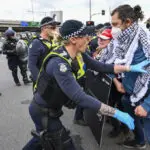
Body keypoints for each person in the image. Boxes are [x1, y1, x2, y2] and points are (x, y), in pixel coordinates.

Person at [23, 19, 150, 150]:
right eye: (86, 36)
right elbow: (80, 97)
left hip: (51, 109)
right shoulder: (59, 64)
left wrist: (130, 68)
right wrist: (116, 113)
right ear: (73, 39)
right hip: (43, 112)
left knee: (41, 139)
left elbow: (101, 66)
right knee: (64, 144)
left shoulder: (78, 54)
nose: (89, 39)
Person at [99, 4, 150, 149]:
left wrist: (147, 105)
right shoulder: (122, 41)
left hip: (145, 97)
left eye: (115, 24)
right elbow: (109, 63)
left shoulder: (145, 40)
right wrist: (117, 81)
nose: (112, 29)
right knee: (134, 121)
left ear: (128, 22)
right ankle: (139, 141)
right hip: (129, 93)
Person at [28, 16, 61, 86]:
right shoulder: (36, 43)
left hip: (55, 78)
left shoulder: (54, 41)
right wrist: (41, 82)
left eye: (56, 28)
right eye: (52, 28)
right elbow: (31, 65)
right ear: (43, 28)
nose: (55, 30)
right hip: (43, 81)